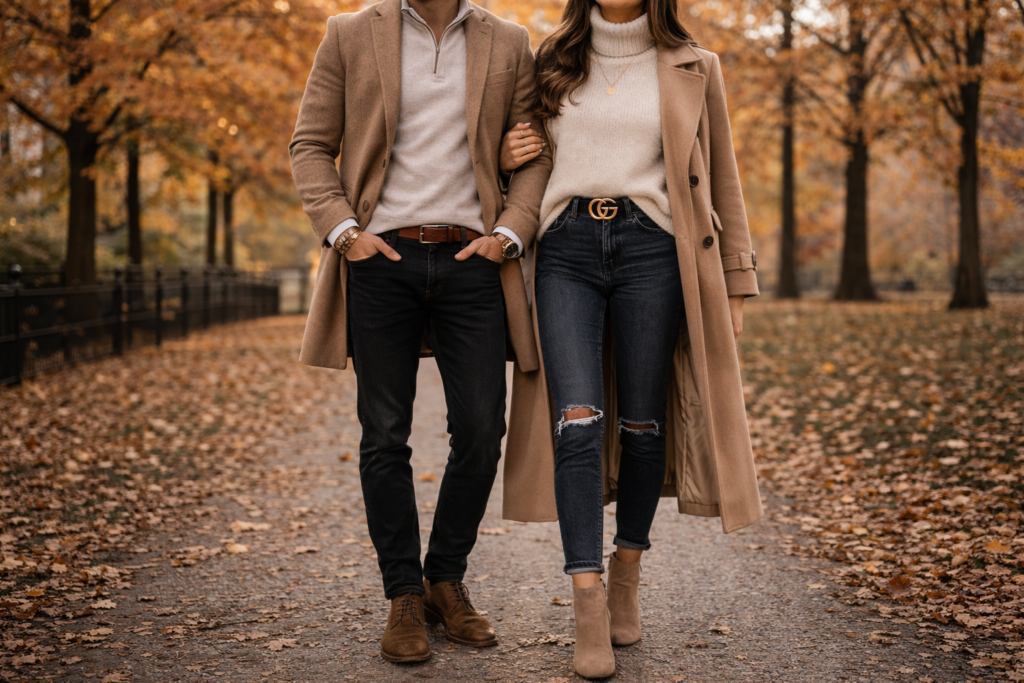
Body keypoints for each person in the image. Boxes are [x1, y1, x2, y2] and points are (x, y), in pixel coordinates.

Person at [498, 0, 762, 677]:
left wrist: (736, 280)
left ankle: (627, 572)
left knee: (644, 425)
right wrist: (503, 156)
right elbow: (518, 159)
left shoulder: (696, 65)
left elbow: (723, 176)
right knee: (577, 420)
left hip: (657, 249)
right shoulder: (549, 60)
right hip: (566, 249)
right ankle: (586, 602)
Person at [288, 0, 551, 664]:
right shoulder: (350, 33)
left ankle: (444, 576)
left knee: (481, 427)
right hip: (382, 258)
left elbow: (534, 154)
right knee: (384, 432)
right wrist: (346, 233)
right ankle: (404, 592)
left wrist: (509, 234)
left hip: (474, 258)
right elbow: (311, 144)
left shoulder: (510, 40)